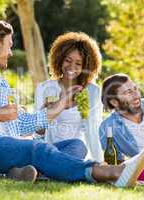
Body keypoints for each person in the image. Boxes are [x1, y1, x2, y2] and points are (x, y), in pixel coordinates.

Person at [0, 20, 144, 187]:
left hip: (6, 147)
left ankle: (25, 172)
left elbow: (21, 125)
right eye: (9, 46)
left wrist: (60, 104)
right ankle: (111, 172)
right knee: (39, 149)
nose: (10, 52)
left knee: (73, 146)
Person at [34, 32, 103, 162]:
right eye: (68, 60)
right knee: (37, 150)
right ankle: (53, 167)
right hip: (50, 148)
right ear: (59, 60)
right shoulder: (44, 88)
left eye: (78, 63)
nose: (72, 67)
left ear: (86, 66)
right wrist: (44, 116)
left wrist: (99, 161)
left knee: (78, 146)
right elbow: (38, 134)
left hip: (76, 150)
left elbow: (92, 130)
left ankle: (45, 168)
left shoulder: (92, 91)